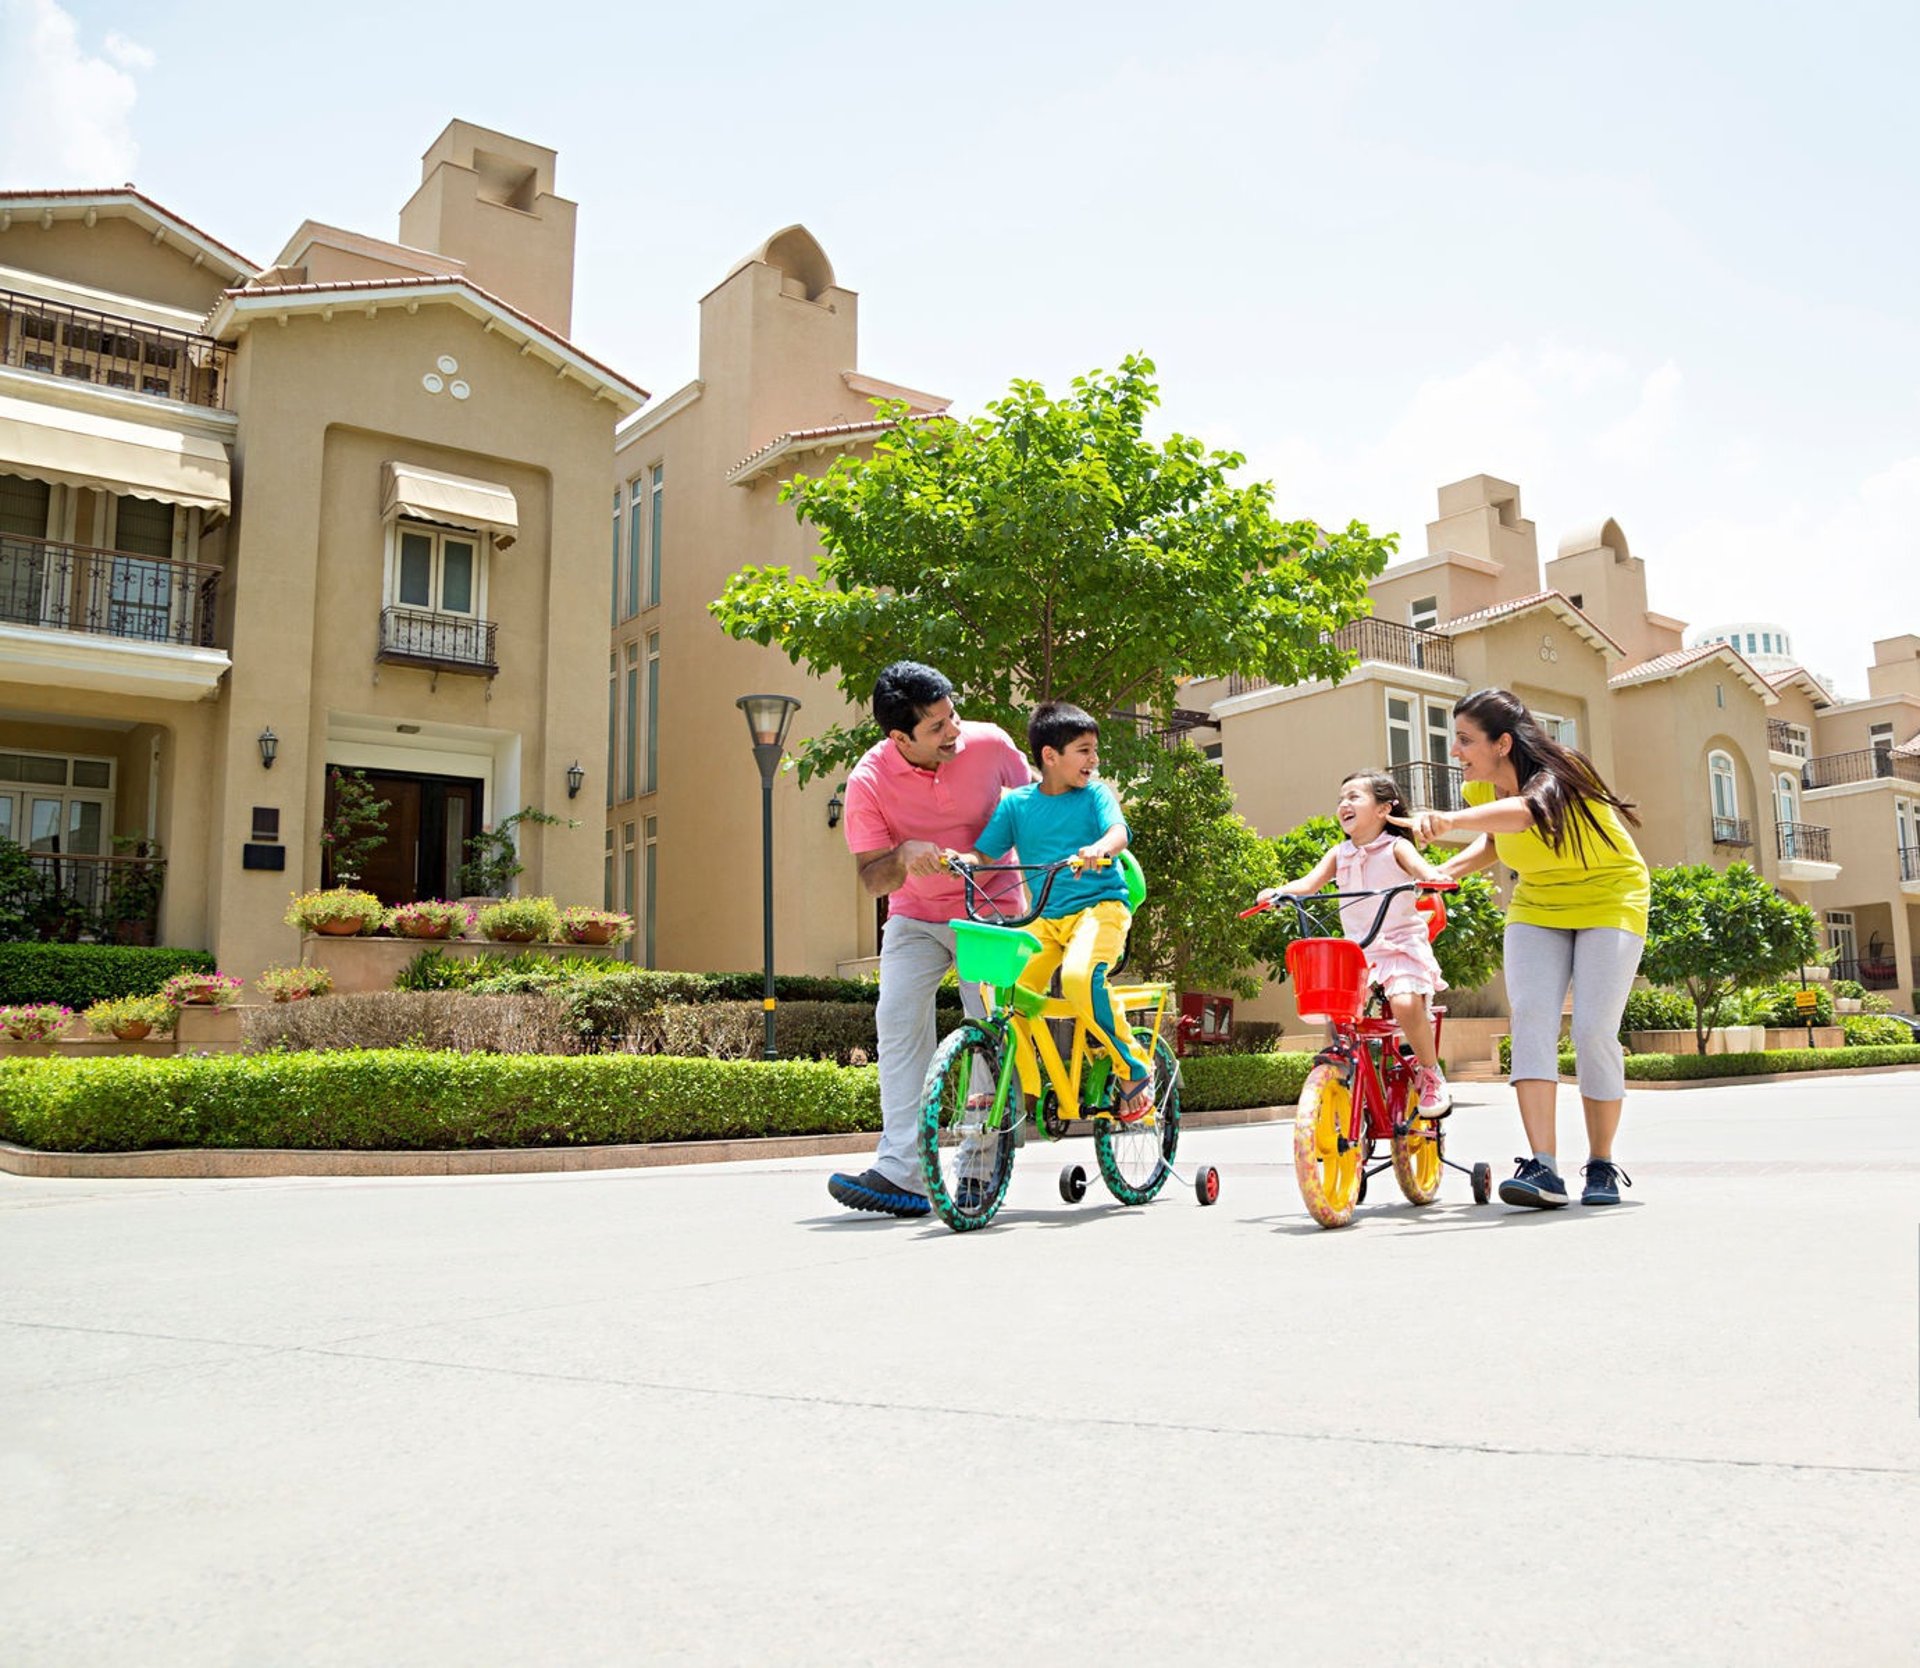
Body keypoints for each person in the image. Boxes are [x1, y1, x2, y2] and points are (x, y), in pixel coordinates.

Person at [1405, 688, 1649, 1210]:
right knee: (1532, 1019)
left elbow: (1525, 815)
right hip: (1538, 904)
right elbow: (1496, 842)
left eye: (1466, 741)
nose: (1456, 752)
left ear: (1503, 743)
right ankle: (1544, 1168)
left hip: (1611, 899)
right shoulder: (1481, 793)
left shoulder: (1562, 774)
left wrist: (1447, 821)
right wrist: (1440, 874)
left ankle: (1602, 1163)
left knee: (1591, 1030)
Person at [828, 662, 1032, 1218]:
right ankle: (902, 1172)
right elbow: (872, 877)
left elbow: (1038, 810)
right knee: (895, 1018)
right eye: (937, 726)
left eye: (952, 714)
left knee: (984, 1027)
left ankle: (978, 1168)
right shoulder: (868, 781)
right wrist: (901, 857)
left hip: (992, 909)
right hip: (915, 916)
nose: (954, 731)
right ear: (900, 738)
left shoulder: (990, 745)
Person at [952, 700, 1154, 1120]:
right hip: (1044, 918)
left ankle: (1134, 1067)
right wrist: (962, 862)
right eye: (1084, 750)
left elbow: (1118, 832)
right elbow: (985, 855)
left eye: (1094, 750)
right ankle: (1020, 1085)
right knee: (1003, 993)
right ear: (1050, 755)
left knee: (1080, 979)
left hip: (1101, 909)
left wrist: (1101, 848)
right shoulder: (1017, 805)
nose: (1094, 760)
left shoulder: (1095, 795)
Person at [1256, 769, 1453, 1115]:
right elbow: (1309, 884)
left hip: (1400, 946)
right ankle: (1340, 1069)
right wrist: (1279, 892)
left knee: (1406, 1004)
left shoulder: (1397, 846)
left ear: (1383, 809)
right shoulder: (1339, 853)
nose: (1344, 804)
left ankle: (1429, 1072)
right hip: (1360, 951)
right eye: (1340, 799)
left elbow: (1423, 870)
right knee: (1334, 1005)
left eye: (1354, 797)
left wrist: (1434, 878)